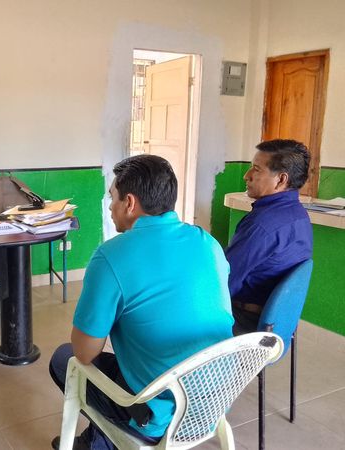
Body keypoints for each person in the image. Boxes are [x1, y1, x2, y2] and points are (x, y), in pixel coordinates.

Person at [49, 154, 233, 450]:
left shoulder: (111, 256)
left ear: (130, 203)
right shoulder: (207, 242)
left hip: (158, 415)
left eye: (112, 198)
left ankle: (101, 442)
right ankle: (97, 440)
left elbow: (84, 352)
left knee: (64, 359)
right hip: (213, 402)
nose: (110, 206)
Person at [226, 139, 313, 335]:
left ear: (281, 180)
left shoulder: (262, 225)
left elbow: (225, 281)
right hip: (278, 322)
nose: (247, 175)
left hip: (246, 323)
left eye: (256, 169)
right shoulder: (299, 214)